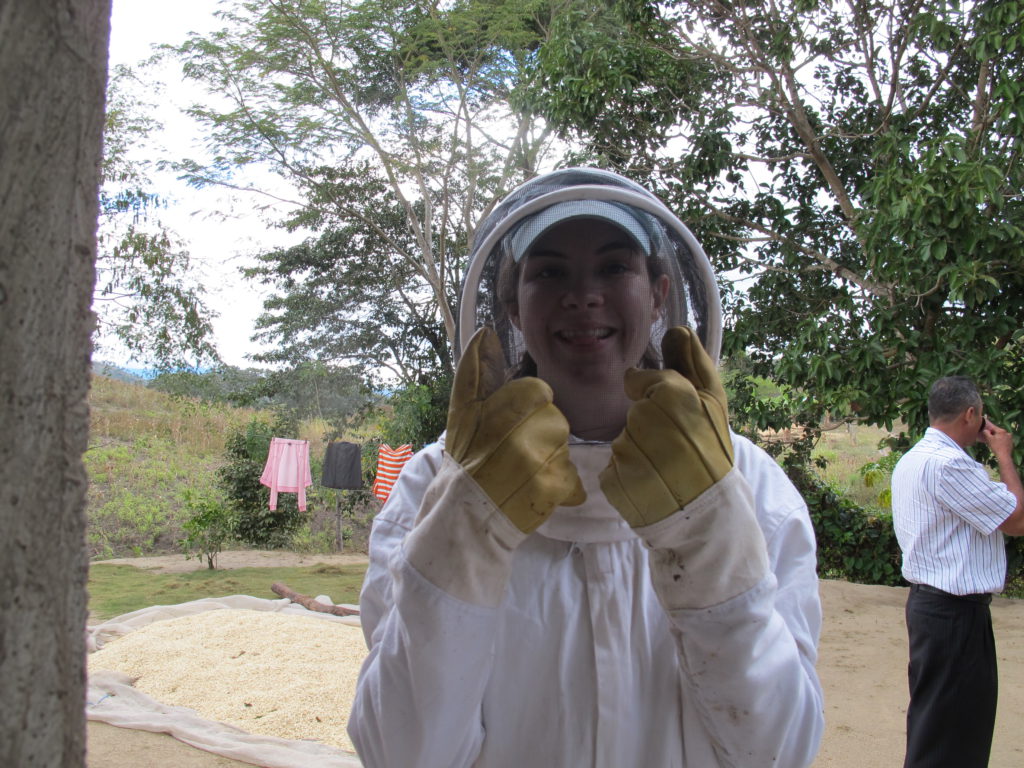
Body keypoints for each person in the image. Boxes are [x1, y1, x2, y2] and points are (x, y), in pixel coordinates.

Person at [348, 168, 824, 767]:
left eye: (613, 267)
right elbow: (403, 754)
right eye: (549, 272)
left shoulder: (750, 487)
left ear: (657, 293)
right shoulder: (431, 486)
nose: (582, 295)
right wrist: (466, 525)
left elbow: (779, 753)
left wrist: (707, 531)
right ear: (512, 308)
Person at [891, 375, 1024, 768]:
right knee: (955, 734)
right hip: (953, 614)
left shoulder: (915, 458)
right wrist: (1003, 453)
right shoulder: (949, 465)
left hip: (934, 609)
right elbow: (1017, 519)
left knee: (937, 725)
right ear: (971, 415)